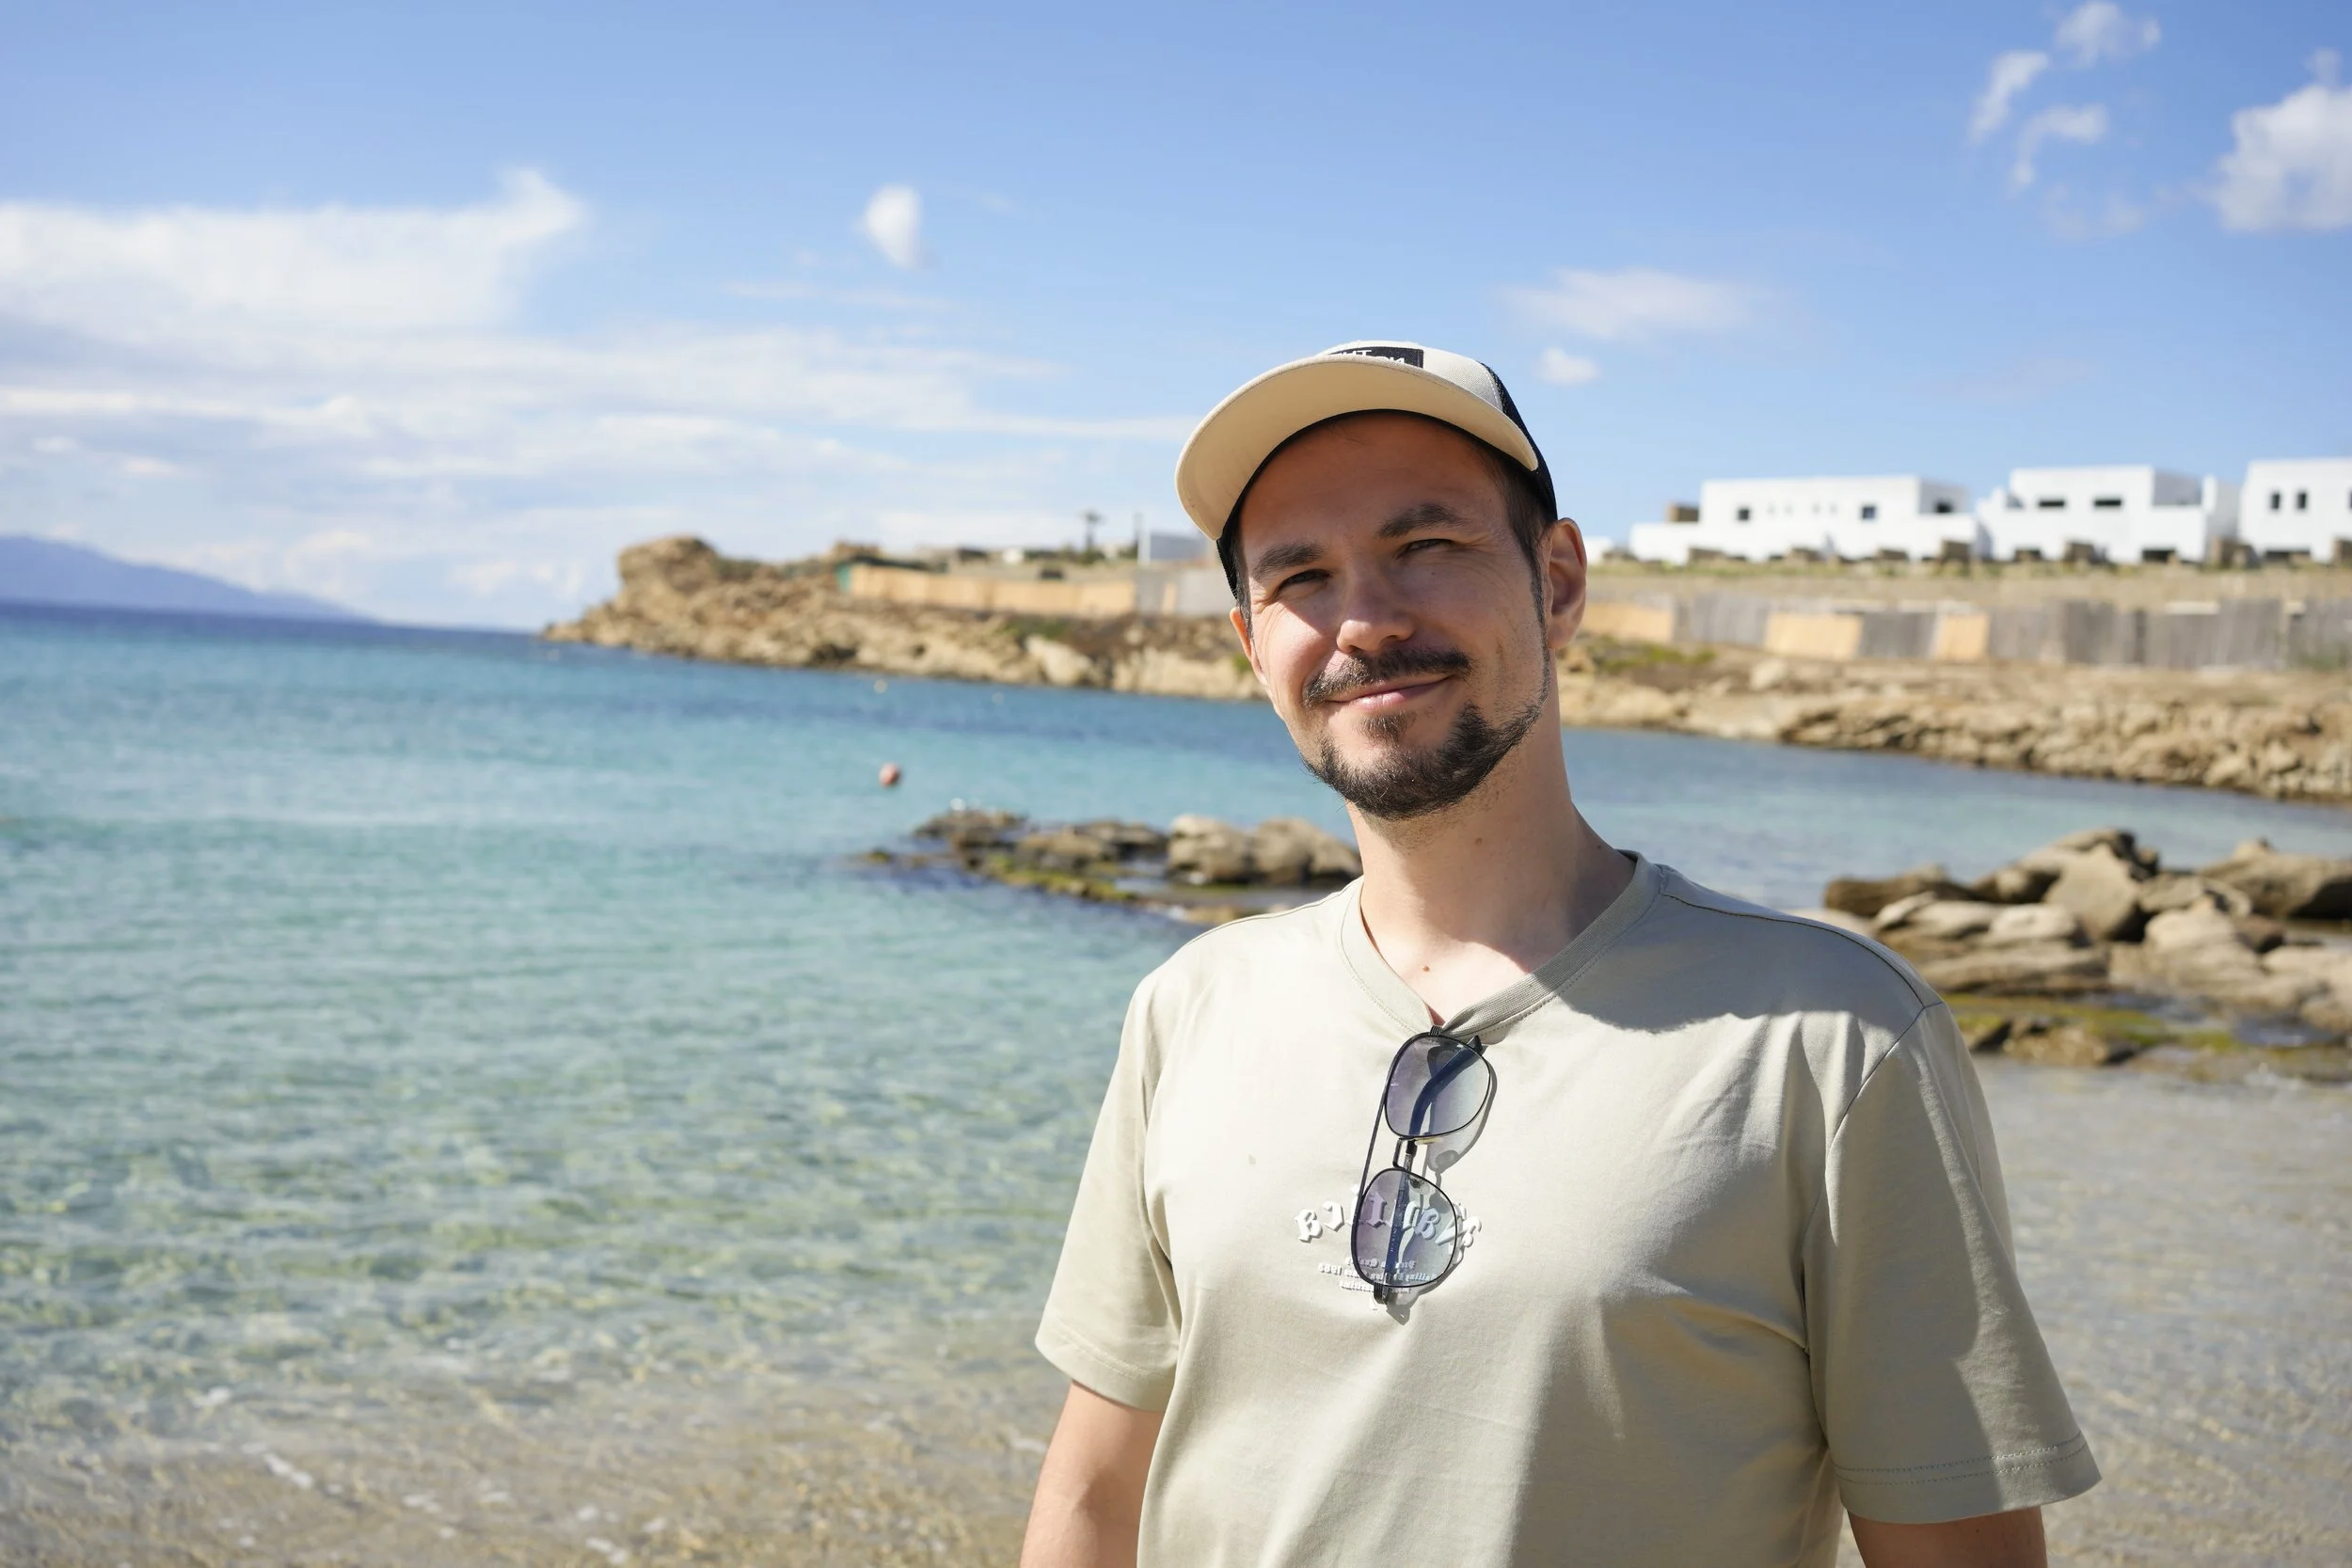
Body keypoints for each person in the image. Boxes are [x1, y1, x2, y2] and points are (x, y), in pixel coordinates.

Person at [1019, 342, 2098, 1568]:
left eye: (1427, 546)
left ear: (1560, 581)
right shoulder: (1191, 1006)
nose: (1365, 619)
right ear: (1251, 643)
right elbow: (1095, 1492)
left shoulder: (1835, 1037)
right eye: (1302, 577)